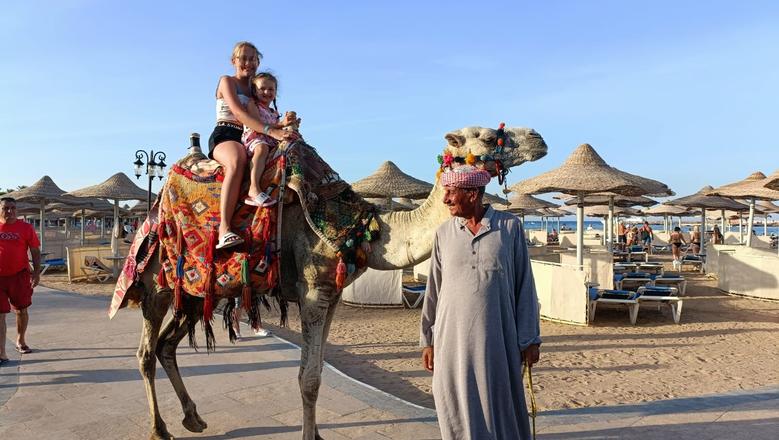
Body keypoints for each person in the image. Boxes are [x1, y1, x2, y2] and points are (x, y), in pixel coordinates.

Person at [420, 165, 541, 439]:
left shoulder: (509, 227)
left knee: (499, 398)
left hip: (498, 339)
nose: (446, 199)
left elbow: (525, 286)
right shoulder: (443, 234)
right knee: (452, 399)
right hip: (451, 340)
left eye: (451, 192)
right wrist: (427, 339)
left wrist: (530, 338)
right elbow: (434, 290)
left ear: (472, 194)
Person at [208, 41, 298, 250]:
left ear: (258, 62)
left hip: (253, 134)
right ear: (234, 61)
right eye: (243, 58)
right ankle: (224, 229)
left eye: (252, 59)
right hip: (228, 133)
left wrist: (284, 123)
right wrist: (271, 131)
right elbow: (240, 114)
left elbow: (264, 114)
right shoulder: (226, 81)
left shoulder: (256, 88)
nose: (248, 63)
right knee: (237, 160)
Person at [242, 72, 300, 208]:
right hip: (256, 137)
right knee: (261, 149)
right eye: (262, 88)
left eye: (271, 89)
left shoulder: (273, 112)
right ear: (254, 90)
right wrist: (281, 124)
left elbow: (278, 128)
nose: (267, 92)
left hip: (272, 139)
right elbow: (257, 124)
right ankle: (254, 187)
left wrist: (289, 125)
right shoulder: (252, 105)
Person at [0, 197, 41, 363]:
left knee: (21, 310)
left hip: (19, 275)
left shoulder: (25, 228)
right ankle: (1, 352)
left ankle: (20, 340)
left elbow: (35, 251)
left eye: (13, 208)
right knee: (0, 314)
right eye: (5, 208)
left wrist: (36, 272)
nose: (9, 211)